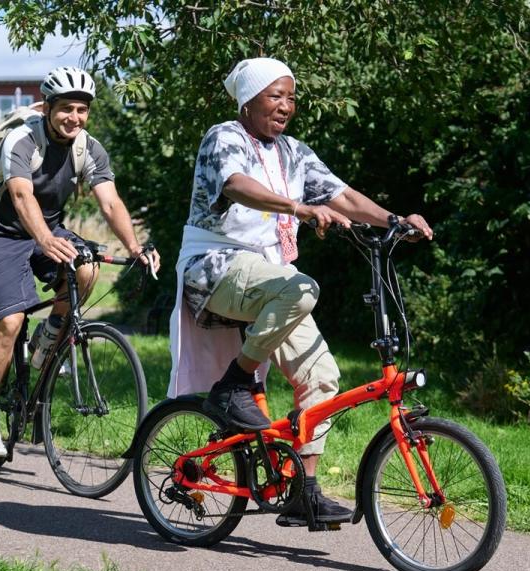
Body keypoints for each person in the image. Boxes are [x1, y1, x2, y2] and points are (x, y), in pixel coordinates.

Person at [167, 57, 433, 526]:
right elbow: (236, 185)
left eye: (291, 97)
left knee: (322, 376)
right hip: (215, 267)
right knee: (303, 287)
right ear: (248, 101)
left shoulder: (294, 152)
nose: (286, 105)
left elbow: (344, 197)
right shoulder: (224, 137)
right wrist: (298, 207)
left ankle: (302, 491)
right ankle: (233, 385)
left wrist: (395, 220)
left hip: (268, 275)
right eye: (276, 95)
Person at [0, 66, 160, 459]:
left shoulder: (88, 147)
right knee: (9, 321)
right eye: (67, 109)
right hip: (4, 235)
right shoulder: (23, 139)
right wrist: (45, 240)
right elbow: (21, 197)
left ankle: (46, 341)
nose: (75, 117)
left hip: (50, 229)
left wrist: (136, 247)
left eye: (82, 109)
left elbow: (109, 201)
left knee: (87, 267)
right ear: (48, 107)